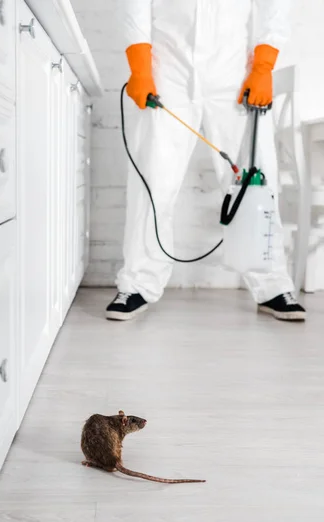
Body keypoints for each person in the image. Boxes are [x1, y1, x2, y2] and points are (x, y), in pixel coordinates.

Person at [106, 0, 306, 322]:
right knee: (152, 178)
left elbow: (273, 5)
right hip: (168, 70)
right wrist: (140, 68)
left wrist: (263, 66)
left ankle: (271, 285)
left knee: (255, 182)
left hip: (233, 73)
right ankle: (138, 283)